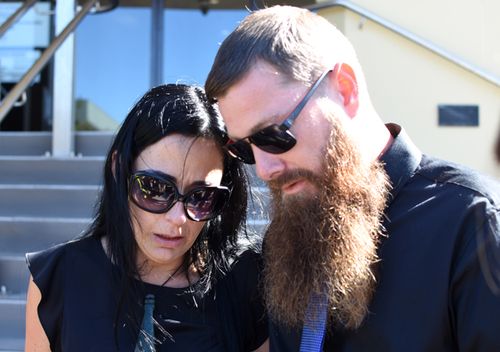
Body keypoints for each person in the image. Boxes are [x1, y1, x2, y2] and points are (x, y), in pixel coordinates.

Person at [205, 5, 500, 351]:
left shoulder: (472, 221)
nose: (264, 168)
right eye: (245, 150)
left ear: (345, 89)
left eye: (273, 135)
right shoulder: (284, 237)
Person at [25, 84, 269, 351]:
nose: (178, 218)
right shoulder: (57, 278)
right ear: (120, 170)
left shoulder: (247, 281)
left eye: (201, 196)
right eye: (155, 189)